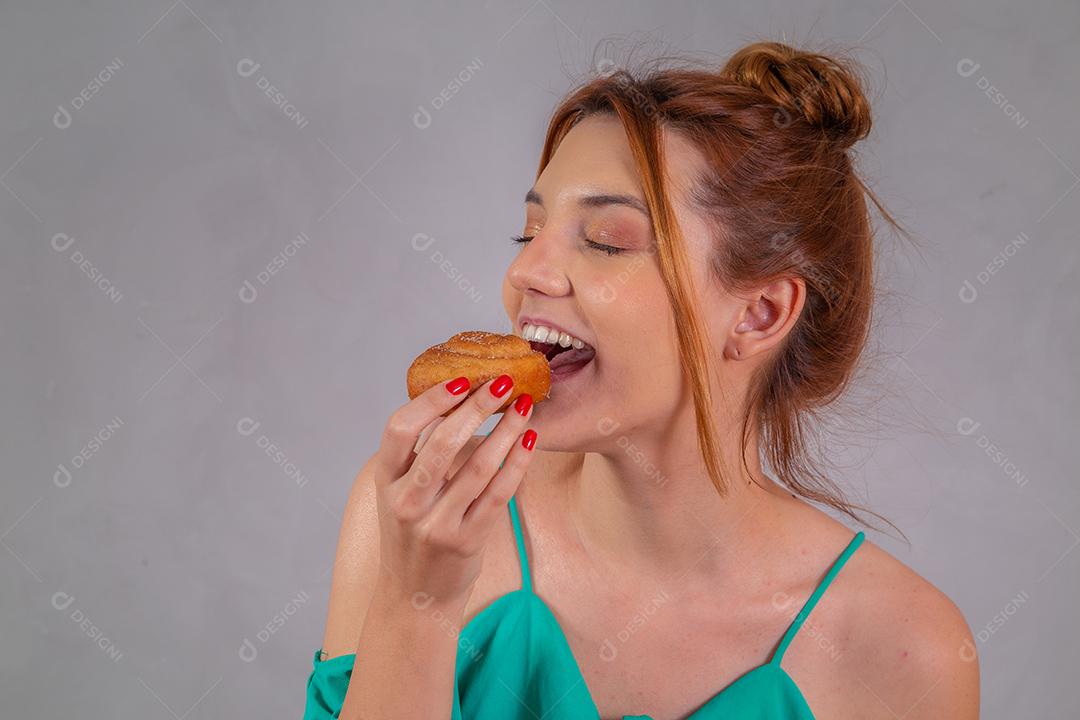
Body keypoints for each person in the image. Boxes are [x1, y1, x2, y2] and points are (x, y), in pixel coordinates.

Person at [304, 40, 980, 719]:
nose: (527, 273)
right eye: (529, 232)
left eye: (605, 239)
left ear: (759, 313)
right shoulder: (411, 517)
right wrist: (417, 605)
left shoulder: (907, 652)